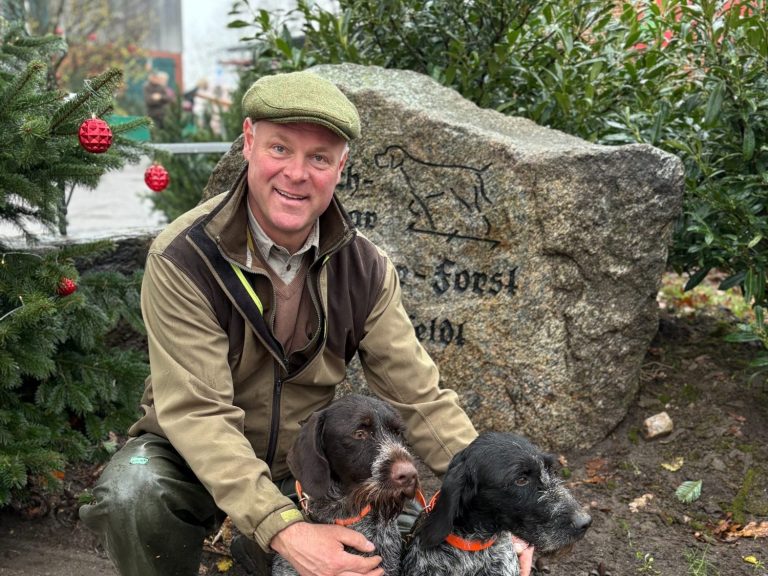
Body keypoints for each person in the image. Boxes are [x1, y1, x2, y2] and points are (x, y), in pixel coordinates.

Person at [79, 71, 534, 576]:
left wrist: (497, 502)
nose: (296, 174)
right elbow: (198, 413)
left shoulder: (365, 268)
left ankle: (258, 555)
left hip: (306, 469)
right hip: (188, 455)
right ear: (248, 142)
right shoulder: (185, 258)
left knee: (416, 537)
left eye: (319, 157)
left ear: (341, 166)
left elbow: (420, 398)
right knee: (134, 493)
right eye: (280, 149)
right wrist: (285, 529)